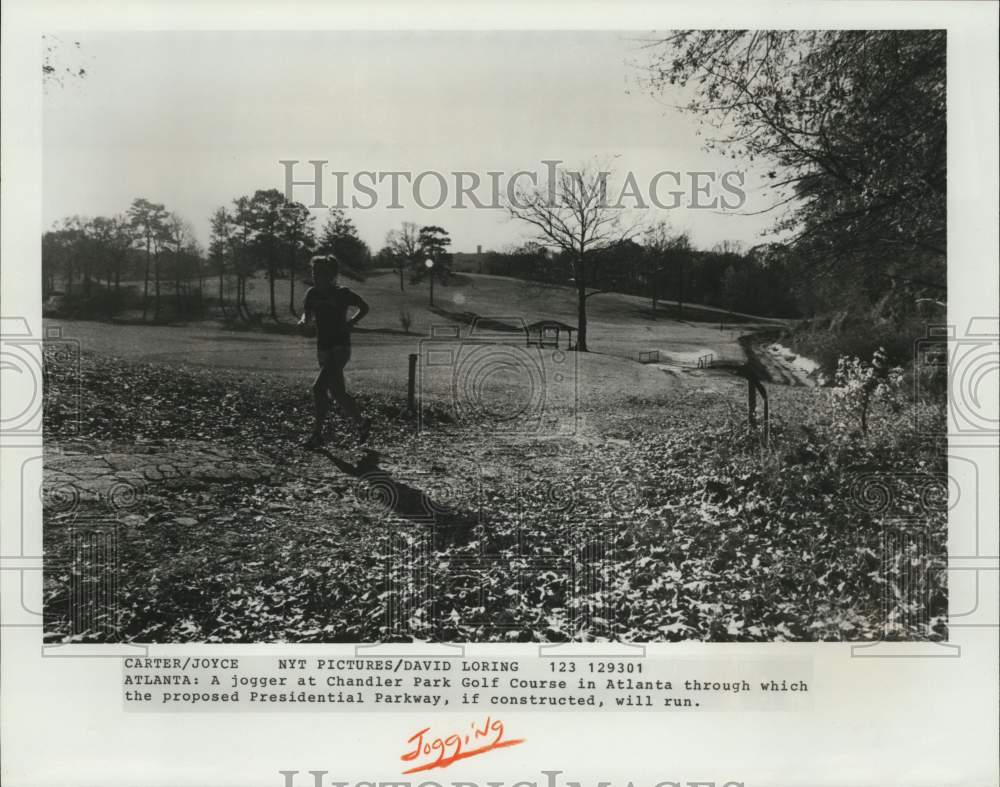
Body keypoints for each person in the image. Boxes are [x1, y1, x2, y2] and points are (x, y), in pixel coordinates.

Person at [298, 254, 372, 447]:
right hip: (322, 347)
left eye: (320, 272)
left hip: (340, 347)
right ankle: (362, 424)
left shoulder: (342, 292)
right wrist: (304, 321)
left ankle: (317, 435)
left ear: (330, 274)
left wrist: (352, 322)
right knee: (338, 392)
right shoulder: (312, 294)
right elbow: (307, 313)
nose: (315, 276)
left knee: (318, 388)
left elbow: (364, 307)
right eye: (314, 272)